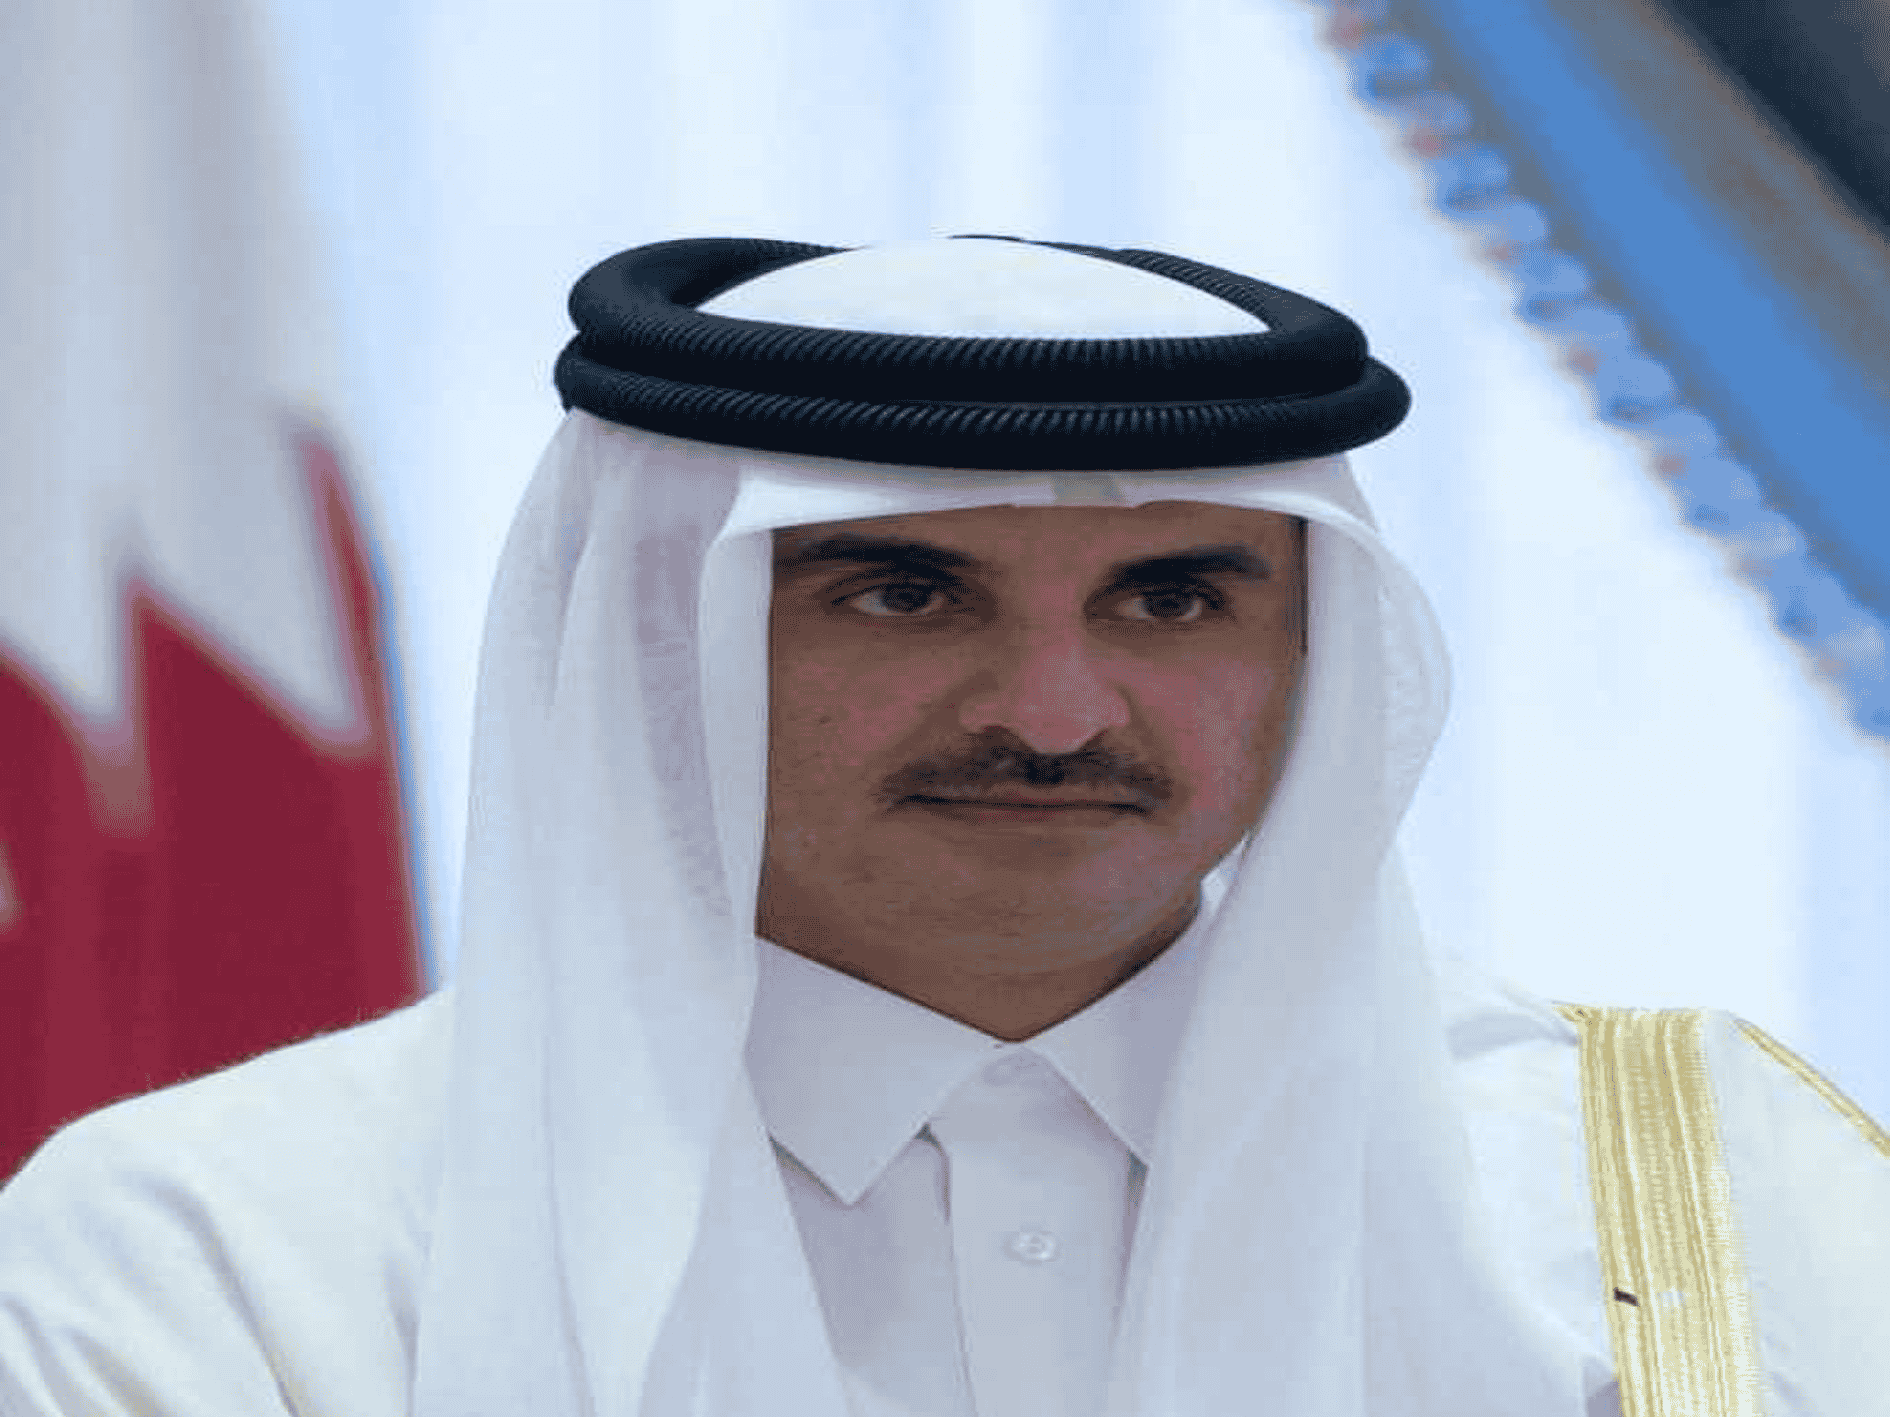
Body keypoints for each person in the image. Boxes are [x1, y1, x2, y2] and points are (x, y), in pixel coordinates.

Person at [3, 235, 1888, 1417]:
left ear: (1313, 646)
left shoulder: (1701, 1192)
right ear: (664, 633)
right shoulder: (226, 1248)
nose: (1054, 712)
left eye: (1173, 597)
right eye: (902, 594)